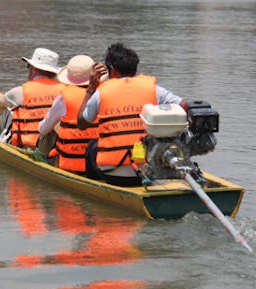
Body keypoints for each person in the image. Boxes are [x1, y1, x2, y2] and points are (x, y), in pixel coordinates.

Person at [77, 43, 189, 186]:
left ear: (111, 69)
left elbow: (81, 123)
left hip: (113, 173)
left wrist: (90, 88)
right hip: (151, 170)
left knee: (92, 146)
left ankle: (93, 187)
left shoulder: (101, 92)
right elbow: (184, 105)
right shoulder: (155, 89)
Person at [37, 55, 100, 174]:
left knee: (47, 132)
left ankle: (43, 163)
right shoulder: (104, 93)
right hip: (99, 163)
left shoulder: (64, 98)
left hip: (72, 164)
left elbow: (43, 129)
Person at [0, 48, 63, 148]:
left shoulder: (21, 91)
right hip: (56, 146)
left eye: (29, 67)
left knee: (8, 110)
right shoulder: (65, 91)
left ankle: (3, 143)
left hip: (30, 145)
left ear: (34, 70)